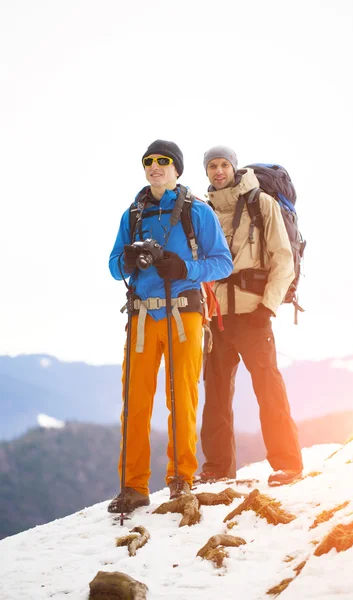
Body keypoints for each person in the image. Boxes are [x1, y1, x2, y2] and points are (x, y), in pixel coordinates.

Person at [108, 140, 233, 513]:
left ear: (177, 169)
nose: (155, 166)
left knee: (181, 399)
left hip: (184, 316)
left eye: (163, 161)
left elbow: (223, 263)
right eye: (149, 161)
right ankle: (133, 487)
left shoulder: (198, 212)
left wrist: (185, 269)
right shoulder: (132, 215)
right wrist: (128, 261)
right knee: (135, 403)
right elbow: (113, 267)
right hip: (143, 317)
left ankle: (181, 479)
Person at [199, 145, 303, 486]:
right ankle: (216, 467)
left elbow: (283, 259)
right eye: (212, 166)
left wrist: (267, 307)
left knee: (268, 388)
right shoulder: (203, 211)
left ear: (233, 167)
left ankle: (287, 463)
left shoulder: (262, 203)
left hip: (254, 314)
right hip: (216, 319)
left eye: (223, 164)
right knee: (214, 394)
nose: (218, 171)